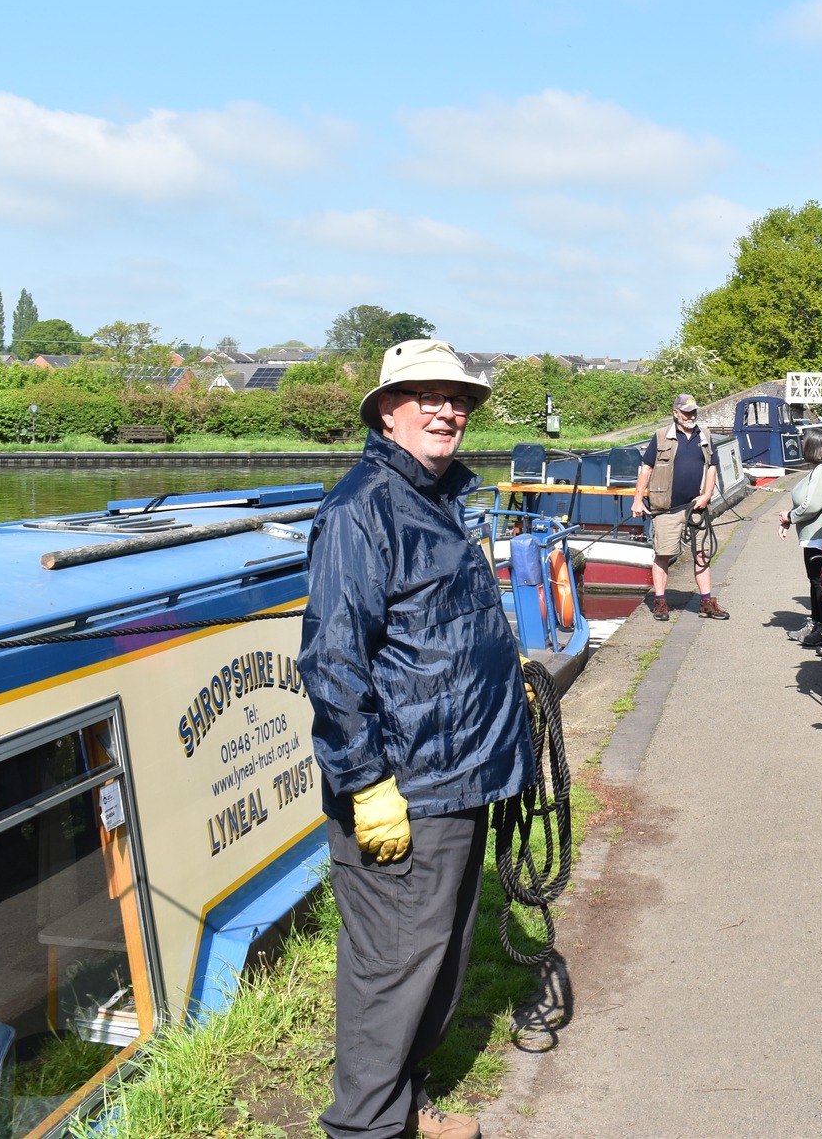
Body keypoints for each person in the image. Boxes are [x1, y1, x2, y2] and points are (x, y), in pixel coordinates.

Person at [299, 338, 532, 1139]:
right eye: (428, 395)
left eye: (458, 397)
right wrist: (366, 782)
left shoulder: (433, 498)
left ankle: (405, 1102)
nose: (448, 409)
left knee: (438, 961)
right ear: (388, 412)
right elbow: (332, 661)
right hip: (405, 787)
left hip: (459, 777)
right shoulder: (360, 508)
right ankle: (364, 1126)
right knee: (391, 972)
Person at [630, 393, 729, 622]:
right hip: (666, 508)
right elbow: (646, 469)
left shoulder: (704, 435)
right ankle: (661, 602)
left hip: (696, 508)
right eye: (686, 412)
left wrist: (706, 495)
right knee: (663, 554)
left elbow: (712, 467)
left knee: (703, 554)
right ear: (676, 413)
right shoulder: (661, 436)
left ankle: (706, 603)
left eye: (693, 412)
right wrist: (637, 499)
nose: (691, 416)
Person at [776, 429, 822, 648]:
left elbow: (812, 504)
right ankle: (818, 623)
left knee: (819, 582)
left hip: (819, 536)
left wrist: (790, 516)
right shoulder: (820, 469)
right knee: (815, 582)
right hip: (813, 536)